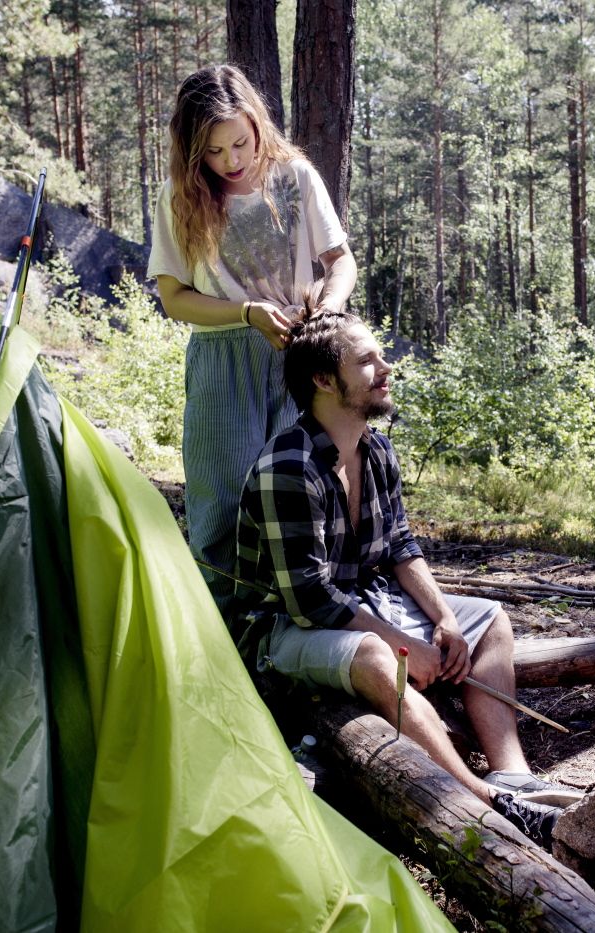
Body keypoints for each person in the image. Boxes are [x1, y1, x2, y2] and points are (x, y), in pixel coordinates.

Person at [234, 309, 580, 849]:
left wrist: (443, 620)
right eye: (367, 360)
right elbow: (305, 597)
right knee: (377, 656)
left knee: (489, 621)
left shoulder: (375, 449)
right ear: (324, 380)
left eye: (381, 355)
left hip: (361, 603)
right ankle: (486, 803)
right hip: (282, 630)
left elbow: (399, 545)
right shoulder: (288, 466)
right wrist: (401, 645)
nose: (385, 367)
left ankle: (513, 775)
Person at [148, 65, 357, 606]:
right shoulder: (179, 195)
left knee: (305, 488)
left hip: (301, 353)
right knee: (222, 499)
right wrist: (247, 313)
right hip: (223, 358)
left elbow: (341, 262)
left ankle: (307, 617)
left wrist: (326, 312)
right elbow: (174, 299)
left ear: (257, 125)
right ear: (193, 151)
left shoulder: (295, 178)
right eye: (214, 152)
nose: (231, 161)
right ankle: (227, 627)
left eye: (240, 143)